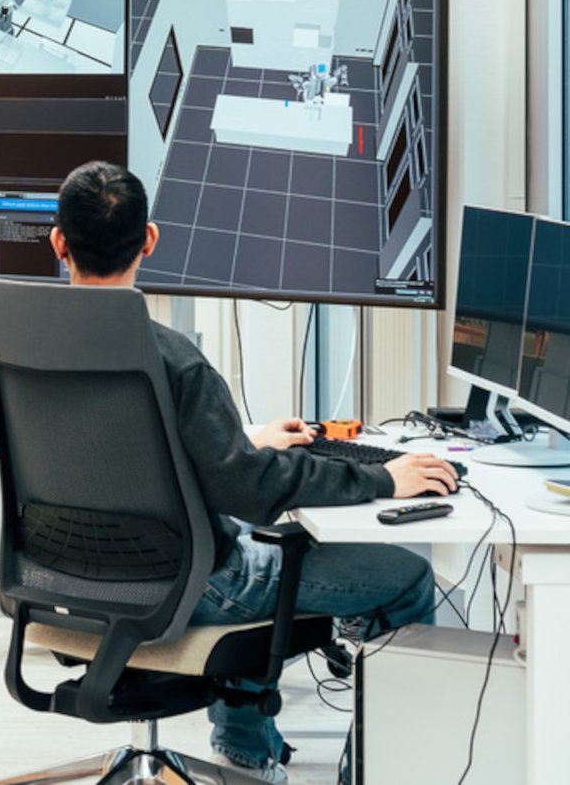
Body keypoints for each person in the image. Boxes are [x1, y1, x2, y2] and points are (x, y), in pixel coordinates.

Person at [48, 160, 451, 783]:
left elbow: (115, 455)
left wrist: (235, 441)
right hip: (183, 584)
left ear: (59, 242)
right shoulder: (174, 360)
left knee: (237, 541)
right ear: (149, 239)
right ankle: (382, 769)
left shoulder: (23, 341)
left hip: (63, 577)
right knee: (405, 577)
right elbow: (251, 489)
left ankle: (246, 747)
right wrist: (383, 479)